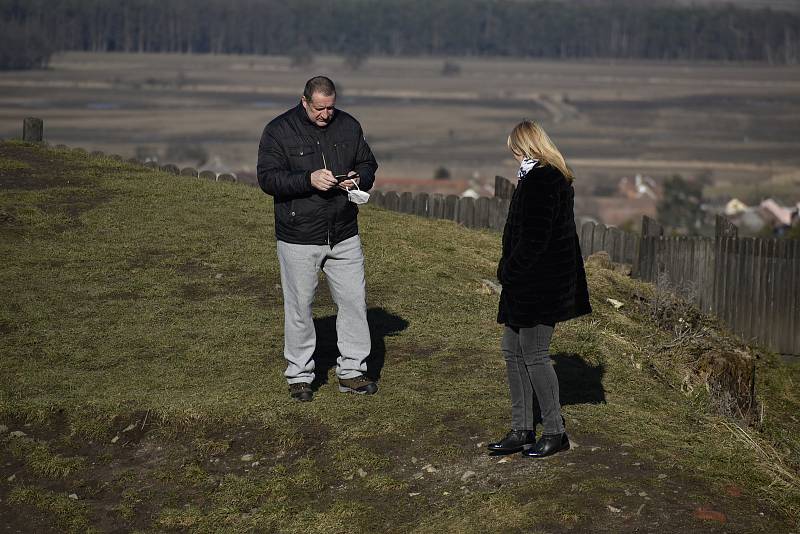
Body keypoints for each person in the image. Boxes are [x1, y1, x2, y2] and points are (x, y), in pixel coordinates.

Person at [257, 76, 379, 402]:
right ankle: (299, 376)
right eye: (319, 108)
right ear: (304, 101)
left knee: (354, 302)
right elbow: (268, 178)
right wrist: (308, 180)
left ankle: (352, 371)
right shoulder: (278, 131)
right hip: (298, 236)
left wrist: (358, 178)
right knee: (299, 307)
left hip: (343, 233)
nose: (326, 114)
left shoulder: (348, 126)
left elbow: (368, 162)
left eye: (330, 107)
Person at [487, 120, 591, 458]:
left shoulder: (543, 179)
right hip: (527, 283)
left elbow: (535, 237)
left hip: (539, 283)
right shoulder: (535, 177)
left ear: (526, 147)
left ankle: (555, 431)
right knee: (512, 350)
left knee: (534, 354)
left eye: (515, 151)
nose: (514, 157)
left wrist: (509, 270)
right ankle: (522, 428)